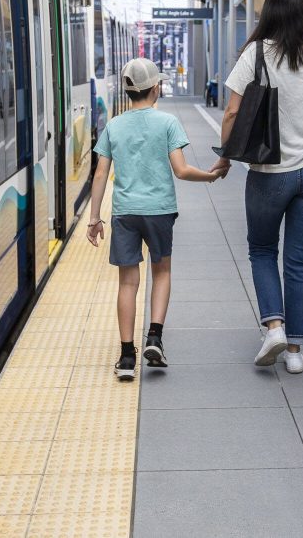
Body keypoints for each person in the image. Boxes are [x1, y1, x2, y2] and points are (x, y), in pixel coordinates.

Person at [210, 0, 303, 374]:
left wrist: (224, 160)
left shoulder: (254, 55)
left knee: (262, 250)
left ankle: (274, 325)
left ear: (267, 16)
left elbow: (232, 115)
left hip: (271, 174)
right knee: (300, 261)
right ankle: (295, 352)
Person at [87, 58, 227, 381]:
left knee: (127, 282)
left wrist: (94, 218)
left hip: (124, 212)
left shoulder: (114, 126)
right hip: (160, 211)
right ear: (155, 88)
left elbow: (100, 173)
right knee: (161, 271)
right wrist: (209, 176)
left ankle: (125, 357)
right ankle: (154, 338)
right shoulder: (167, 123)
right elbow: (180, 169)